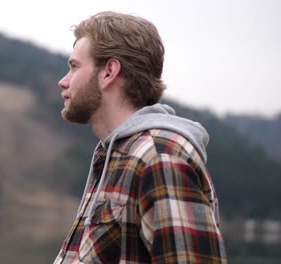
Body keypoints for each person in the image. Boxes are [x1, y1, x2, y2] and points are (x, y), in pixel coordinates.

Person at [53, 11, 227, 264]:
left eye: (74, 66)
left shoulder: (159, 157)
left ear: (109, 72)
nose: (63, 81)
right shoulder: (119, 154)